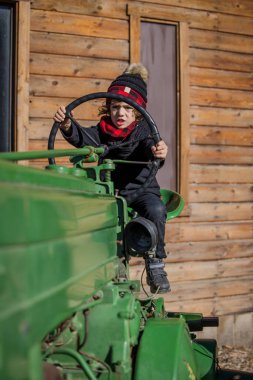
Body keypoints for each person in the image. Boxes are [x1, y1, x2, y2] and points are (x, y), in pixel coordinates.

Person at [53, 64, 170, 294]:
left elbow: (151, 148)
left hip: (141, 191)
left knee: (156, 209)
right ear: (108, 107)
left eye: (127, 108)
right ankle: (86, 265)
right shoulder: (102, 131)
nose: (121, 113)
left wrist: (159, 151)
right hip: (109, 192)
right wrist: (67, 125)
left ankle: (156, 262)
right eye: (115, 106)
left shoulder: (144, 130)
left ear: (137, 111)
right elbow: (83, 138)